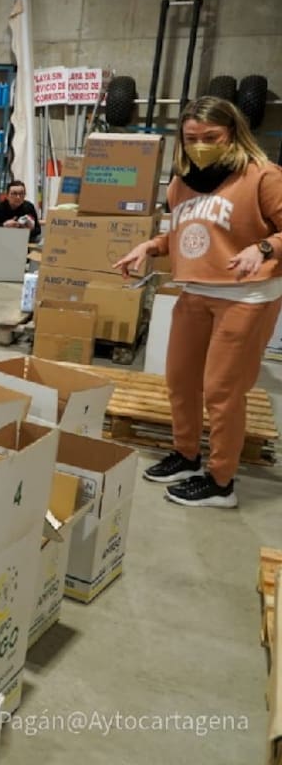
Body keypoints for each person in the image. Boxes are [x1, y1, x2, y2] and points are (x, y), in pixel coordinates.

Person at [114, 96, 282, 509]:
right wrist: (150, 247)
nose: (200, 145)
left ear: (233, 134)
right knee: (181, 380)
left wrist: (263, 247)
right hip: (195, 291)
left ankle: (222, 482)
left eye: (212, 137)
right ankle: (186, 454)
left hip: (246, 296)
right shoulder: (182, 182)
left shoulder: (262, 175)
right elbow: (181, 232)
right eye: (192, 138)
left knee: (222, 392)